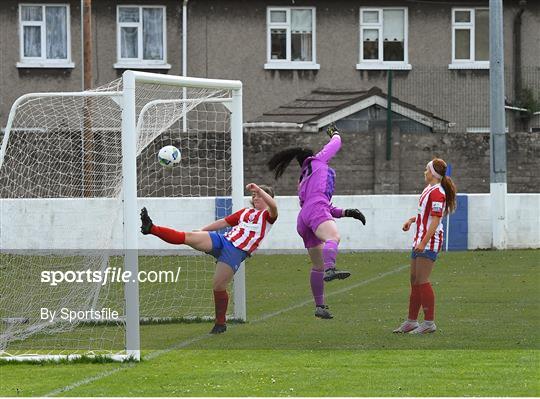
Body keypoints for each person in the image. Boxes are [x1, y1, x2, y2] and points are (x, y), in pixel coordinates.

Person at [140, 183, 278, 334]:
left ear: (268, 198)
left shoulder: (268, 216)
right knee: (189, 237)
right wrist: (202, 230)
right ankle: (151, 228)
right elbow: (224, 222)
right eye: (254, 195)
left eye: (259, 195)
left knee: (218, 285)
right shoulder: (246, 212)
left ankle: (220, 323)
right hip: (223, 240)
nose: (256, 197)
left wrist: (258, 189)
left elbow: (273, 206)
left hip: (236, 251)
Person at [267, 124, 366, 319]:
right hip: (315, 211)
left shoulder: (303, 179)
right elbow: (336, 143)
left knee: (316, 266)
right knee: (334, 237)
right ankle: (331, 268)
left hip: (304, 218)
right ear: (312, 155)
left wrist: (347, 212)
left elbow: (317, 207)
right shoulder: (318, 161)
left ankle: (320, 307)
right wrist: (334, 132)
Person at [393, 158, 457, 334]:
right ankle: (411, 321)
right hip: (420, 239)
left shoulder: (438, 193)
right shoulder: (428, 189)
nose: (424, 172)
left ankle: (429, 323)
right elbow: (425, 215)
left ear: (434, 174)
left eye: (427, 169)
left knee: (422, 280)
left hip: (429, 241)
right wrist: (411, 220)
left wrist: (423, 242)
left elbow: (436, 221)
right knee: (414, 280)